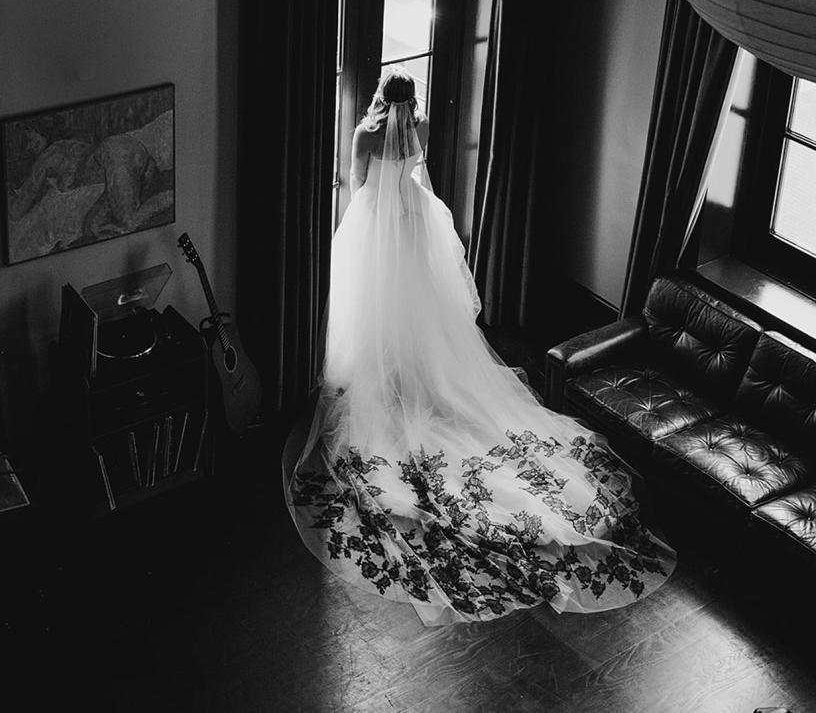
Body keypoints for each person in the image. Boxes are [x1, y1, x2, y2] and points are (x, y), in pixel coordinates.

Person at [283, 65, 676, 625]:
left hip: (374, 226)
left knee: (376, 313)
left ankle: (388, 379)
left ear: (378, 99)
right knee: (419, 317)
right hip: (414, 223)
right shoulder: (417, 129)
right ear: (412, 101)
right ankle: (415, 375)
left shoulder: (364, 134)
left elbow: (354, 185)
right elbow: (418, 181)